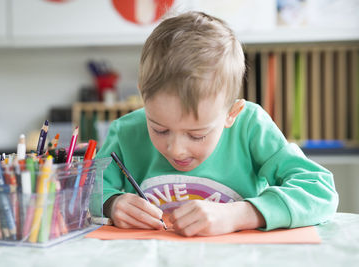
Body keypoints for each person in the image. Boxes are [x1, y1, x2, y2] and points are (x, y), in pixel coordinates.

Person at [97, 11, 338, 236]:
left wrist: (241, 214)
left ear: (231, 113)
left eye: (197, 135)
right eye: (160, 129)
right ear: (144, 97)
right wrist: (111, 203)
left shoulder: (250, 126)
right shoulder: (126, 131)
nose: (176, 149)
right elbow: (82, 193)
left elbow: (320, 192)